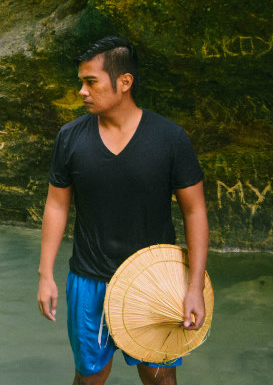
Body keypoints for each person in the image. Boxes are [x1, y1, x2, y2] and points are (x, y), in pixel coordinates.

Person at [37, 36, 209, 385]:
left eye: (90, 82)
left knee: (159, 375)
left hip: (154, 281)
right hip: (89, 278)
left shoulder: (170, 139)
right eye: (81, 82)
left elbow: (195, 212)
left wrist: (194, 287)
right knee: (90, 378)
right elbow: (56, 205)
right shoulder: (70, 138)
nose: (82, 92)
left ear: (124, 82)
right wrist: (45, 274)